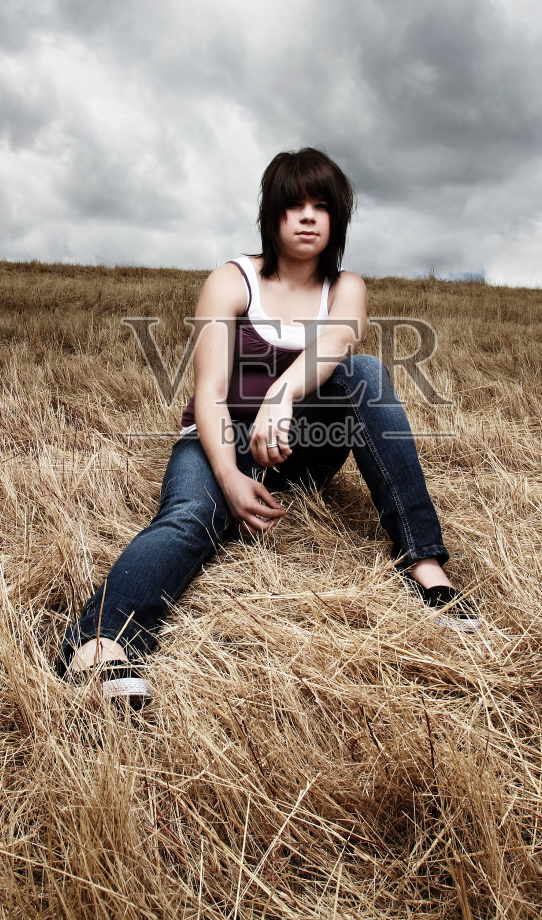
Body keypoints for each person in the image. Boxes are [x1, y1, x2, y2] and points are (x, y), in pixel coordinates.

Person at [59, 148, 478, 708]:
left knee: (365, 372)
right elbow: (209, 393)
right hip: (222, 437)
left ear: (337, 219)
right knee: (189, 517)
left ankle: (426, 567)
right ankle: (100, 643)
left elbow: (339, 341)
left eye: (321, 206)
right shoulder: (233, 279)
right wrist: (229, 479)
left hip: (302, 445)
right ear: (271, 214)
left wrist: (281, 394)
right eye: (294, 205)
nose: (307, 217)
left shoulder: (346, 287)